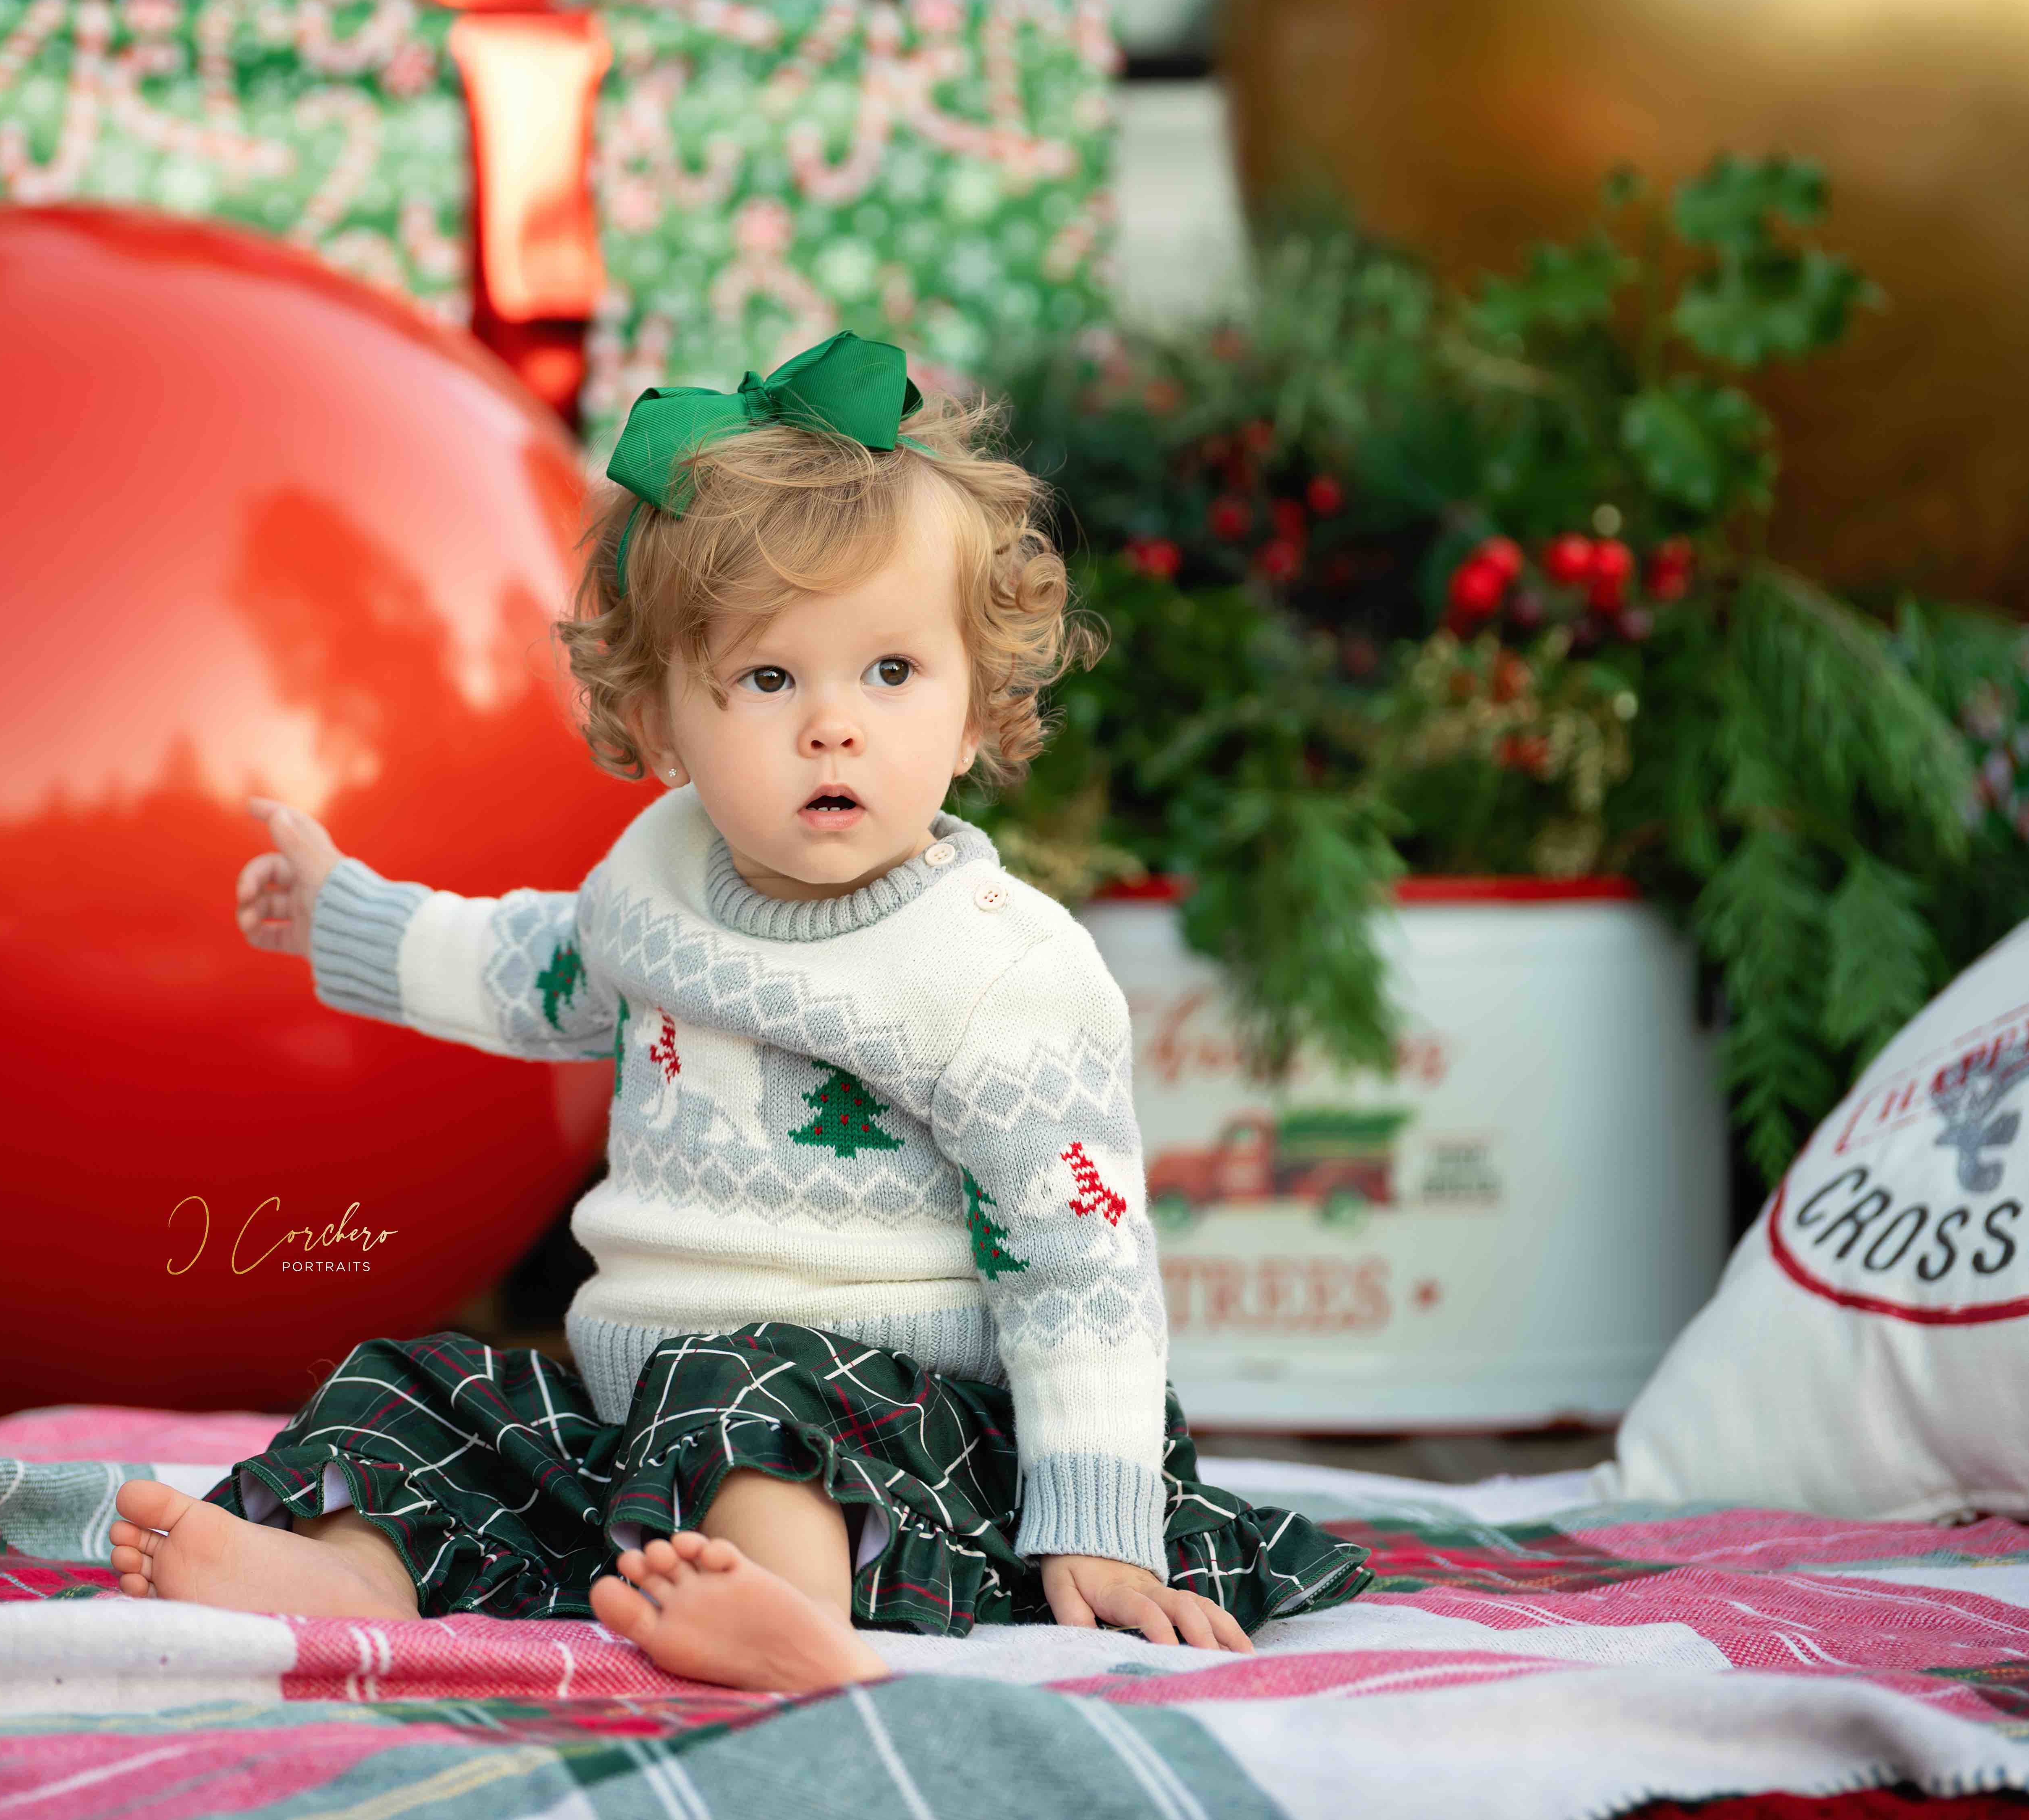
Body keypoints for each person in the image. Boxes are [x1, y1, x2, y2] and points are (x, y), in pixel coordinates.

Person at [106, 332, 1371, 1692]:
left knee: (749, 1402)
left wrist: (1102, 1519)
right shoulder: (654, 882)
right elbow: (535, 967)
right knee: (427, 1389)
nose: (834, 724)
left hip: (907, 1434)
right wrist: (348, 914)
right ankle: (351, 1571)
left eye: (891, 673)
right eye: (771, 679)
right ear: (660, 722)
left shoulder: (996, 967)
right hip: (639, 1409)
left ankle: (791, 1620)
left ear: (973, 714)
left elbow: (1083, 1262)